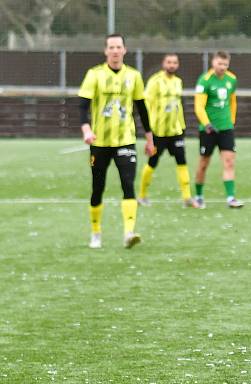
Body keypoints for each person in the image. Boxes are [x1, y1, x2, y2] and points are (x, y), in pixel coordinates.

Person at [78, 33, 154, 249]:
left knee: (128, 185)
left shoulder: (134, 76)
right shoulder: (94, 75)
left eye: (118, 47)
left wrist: (150, 139)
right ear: (105, 51)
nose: (115, 51)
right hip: (99, 142)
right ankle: (96, 233)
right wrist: (86, 129)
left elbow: (142, 108)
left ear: (124, 50)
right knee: (97, 188)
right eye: (111, 47)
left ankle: (129, 233)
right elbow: (83, 105)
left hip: (125, 140)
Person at [139, 53, 198, 208]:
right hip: (158, 132)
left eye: (174, 62)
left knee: (182, 162)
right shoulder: (155, 81)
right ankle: (142, 196)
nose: (172, 65)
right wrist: (148, 132)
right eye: (169, 62)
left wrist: (182, 125)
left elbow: (178, 106)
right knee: (152, 162)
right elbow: (145, 104)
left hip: (176, 131)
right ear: (163, 63)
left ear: (177, 65)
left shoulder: (178, 82)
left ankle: (187, 198)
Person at [193, 51, 242, 208]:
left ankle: (231, 198)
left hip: (226, 128)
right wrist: (207, 124)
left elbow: (233, 101)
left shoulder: (232, 79)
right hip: (208, 129)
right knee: (203, 163)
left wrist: (231, 120)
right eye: (220, 64)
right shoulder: (205, 80)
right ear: (213, 62)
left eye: (225, 64)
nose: (222, 67)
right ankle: (199, 196)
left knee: (229, 162)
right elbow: (199, 106)